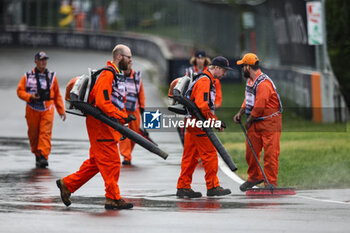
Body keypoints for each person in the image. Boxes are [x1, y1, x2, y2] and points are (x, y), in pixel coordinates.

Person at [56, 44, 135, 210]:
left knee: (96, 163)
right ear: (119, 57)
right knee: (112, 162)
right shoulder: (108, 74)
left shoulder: (117, 75)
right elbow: (102, 102)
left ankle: (67, 184)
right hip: (100, 125)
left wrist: (121, 123)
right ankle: (113, 198)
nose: (131, 61)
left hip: (107, 125)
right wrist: (122, 117)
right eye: (129, 57)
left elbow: (115, 103)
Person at [176, 56, 233, 198]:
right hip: (199, 124)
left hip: (192, 122)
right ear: (217, 68)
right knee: (210, 154)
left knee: (190, 157)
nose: (224, 74)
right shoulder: (205, 81)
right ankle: (213, 186)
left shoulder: (203, 78)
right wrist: (215, 122)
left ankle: (183, 186)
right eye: (224, 71)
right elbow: (202, 106)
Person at [233, 53, 282, 191]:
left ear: (248, 67)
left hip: (270, 122)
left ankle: (270, 183)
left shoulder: (264, 83)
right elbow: (249, 99)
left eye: (243, 66)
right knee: (251, 152)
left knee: (270, 154)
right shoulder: (250, 81)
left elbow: (260, 105)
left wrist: (249, 119)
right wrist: (240, 113)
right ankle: (254, 177)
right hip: (255, 121)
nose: (242, 68)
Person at [17, 51, 66, 168]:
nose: (43, 62)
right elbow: (20, 91)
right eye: (41, 60)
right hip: (32, 108)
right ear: (36, 61)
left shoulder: (52, 76)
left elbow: (57, 94)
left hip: (47, 108)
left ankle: (43, 156)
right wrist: (30, 97)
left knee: (45, 133)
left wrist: (61, 110)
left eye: (45, 60)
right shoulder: (27, 76)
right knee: (33, 134)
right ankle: (37, 155)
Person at [119, 62, 145, 165]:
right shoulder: (118, 76)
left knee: (134, 134)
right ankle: (126, 156)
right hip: (122, 110)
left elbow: (141, 92)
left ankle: (128, 153)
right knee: (124, 133)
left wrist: (142, 106)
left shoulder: (137, 77)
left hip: (135, 110)